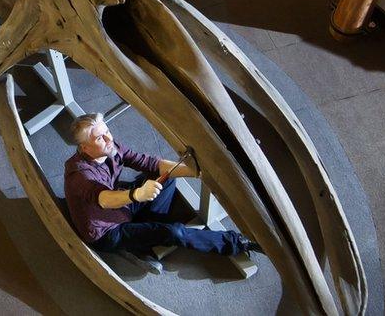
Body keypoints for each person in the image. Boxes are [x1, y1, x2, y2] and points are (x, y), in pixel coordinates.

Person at [63, 113, 261, 272]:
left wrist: (198, 172)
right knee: (174, 232)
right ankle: (238, 243)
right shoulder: (79, 174)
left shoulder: (109, 147)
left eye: (107, 131)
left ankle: (151, 232)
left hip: (122, 206)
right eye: (100, 137)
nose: (108, 138)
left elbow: (152, 163)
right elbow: (104, 199)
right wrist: (136, 195)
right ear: (84, 147)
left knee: (165, 178)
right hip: (107, 231)